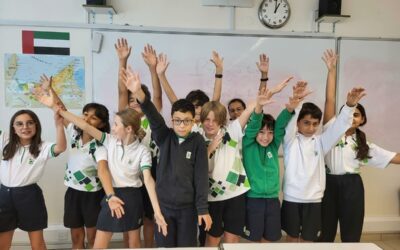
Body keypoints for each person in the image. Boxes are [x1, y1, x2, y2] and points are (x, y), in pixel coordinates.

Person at [34, 87, 167, 249]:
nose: (113, 127)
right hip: (111, 194)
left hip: (133, 196)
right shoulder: (109, 141)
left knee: (133, 242)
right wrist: (54, 107)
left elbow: (148, 180)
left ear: (129, 129)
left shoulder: (143, 151)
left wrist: (157, 212)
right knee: (100, 241)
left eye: (116, 124)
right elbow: (84, 125)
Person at [121, 68, 212, 247]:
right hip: (164, 207)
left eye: (186, 120)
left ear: (194, 121)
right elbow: (154, 118)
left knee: (186, 246)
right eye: (177, 120)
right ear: (172, 120)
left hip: (187, 209)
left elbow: (201, 177)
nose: (182, 125)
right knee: (165, 245)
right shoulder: (164, 136)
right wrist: (139, 92)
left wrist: (203, 209)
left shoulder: (198, 141)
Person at [318, 49, 400, 242]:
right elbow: (329, 99)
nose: (352, 117)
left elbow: (394, 157)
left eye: (356, 114)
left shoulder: (363, 144)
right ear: (340, 117)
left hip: (352, 186)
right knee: (325, 231)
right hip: (328, 183)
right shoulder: (331, 129)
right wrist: (331, 71)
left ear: (362, 119)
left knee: (351, 232)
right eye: (349, 113)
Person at [202, 73, 290, 247]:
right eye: (207, 120)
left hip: (235, 194)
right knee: (212, 239)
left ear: (222, 120)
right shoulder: (197, 137)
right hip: (211, 197)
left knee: (232, 238)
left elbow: (252, 107)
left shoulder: (232, 131)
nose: (210, 124)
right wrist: (210, 148)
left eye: (215, 120)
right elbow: (197, 166)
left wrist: (271, 91)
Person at [281, 80, 366, 242]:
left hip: (314, 200)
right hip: (291, 198)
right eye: (306, 123)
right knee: (291, 239)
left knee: (309, 239)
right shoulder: (290, 141)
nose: (311, 128)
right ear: (298, 123)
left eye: (315, 124)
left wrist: (349, 106)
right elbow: (289, 125)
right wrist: (297, 102)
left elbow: (340, 126)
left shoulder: (321, 142)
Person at [115, 38, 162, 248]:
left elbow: (157, 95)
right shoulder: (125, 117)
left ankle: (149, 246)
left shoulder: (153, 116)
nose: (134, 103)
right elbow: (121, 92)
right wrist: (122, 62)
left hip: (152, 170)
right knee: (131, 219)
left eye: (139, 100)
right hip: (129, 172)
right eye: (131, 100)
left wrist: (153, 69)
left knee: (150, 217)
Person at [0, 107, 66, 250]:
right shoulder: (5, 140)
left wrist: (59, 125)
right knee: (2, 243)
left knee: (37, 244)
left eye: (30, 123)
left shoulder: (43, 147)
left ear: (36, 125)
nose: (25, 127)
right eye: (19, 124)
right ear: (13, 127)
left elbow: (60, 147)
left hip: (29, 196)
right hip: (4, 196)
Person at [242, 83, 300, 242]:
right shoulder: (248, 144)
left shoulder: (273, 146)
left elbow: (280, 126)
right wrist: (259, 107)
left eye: (270, 132)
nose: (265, 137)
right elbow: (253, 125)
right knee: (254, 240)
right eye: (261, 132)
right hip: (253, 200)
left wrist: (289, 110)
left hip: (273, 200)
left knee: (271, 239)